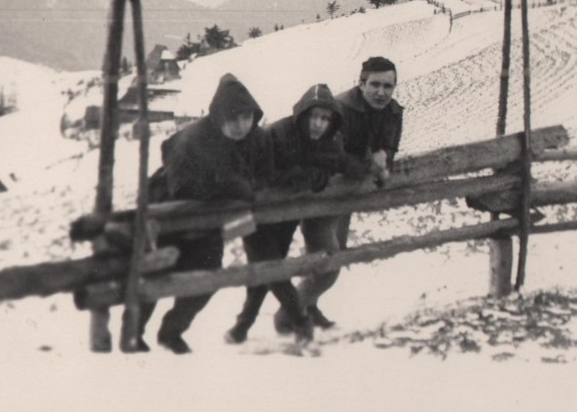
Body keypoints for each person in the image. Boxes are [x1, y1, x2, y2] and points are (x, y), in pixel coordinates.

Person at [138, 73, 273, 354]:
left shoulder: (255, 139)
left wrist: (246, 188)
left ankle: (170, 331)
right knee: (155, 274)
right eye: (233, 118)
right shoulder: (192, 140)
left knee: (207, 279)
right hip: (168, 216)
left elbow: (264, 174)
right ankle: (133, 332)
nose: (241, 126)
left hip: (210, 222)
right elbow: (182, 186)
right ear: (218, 117)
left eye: (247, 117)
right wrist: (234, 186)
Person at [274, 57, 404, 332]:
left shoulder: (392, 110)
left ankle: (308, 306)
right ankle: (288, 317)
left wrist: (383, 157)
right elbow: (332, 156)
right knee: (329, 263)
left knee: (334, 254)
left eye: (388, 86)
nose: (382, 92)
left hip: (346, 191)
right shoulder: (340, 109)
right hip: (323, 191)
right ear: (361, 83)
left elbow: (389, 146)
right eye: (375, 84)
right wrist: (371, 162)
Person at [225, 83, 359, 344]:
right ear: (303, 113)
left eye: (325, 118)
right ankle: (296, 322)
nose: (318, 124)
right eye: (313, 116)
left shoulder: (328, 142)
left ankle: (243, 326)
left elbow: (340, 163)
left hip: (285, 220)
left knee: (266, 271)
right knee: (270, 270)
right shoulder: (277, 133)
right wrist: (301, 175)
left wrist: (369, 169)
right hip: (256, 214)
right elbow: (254, 171)